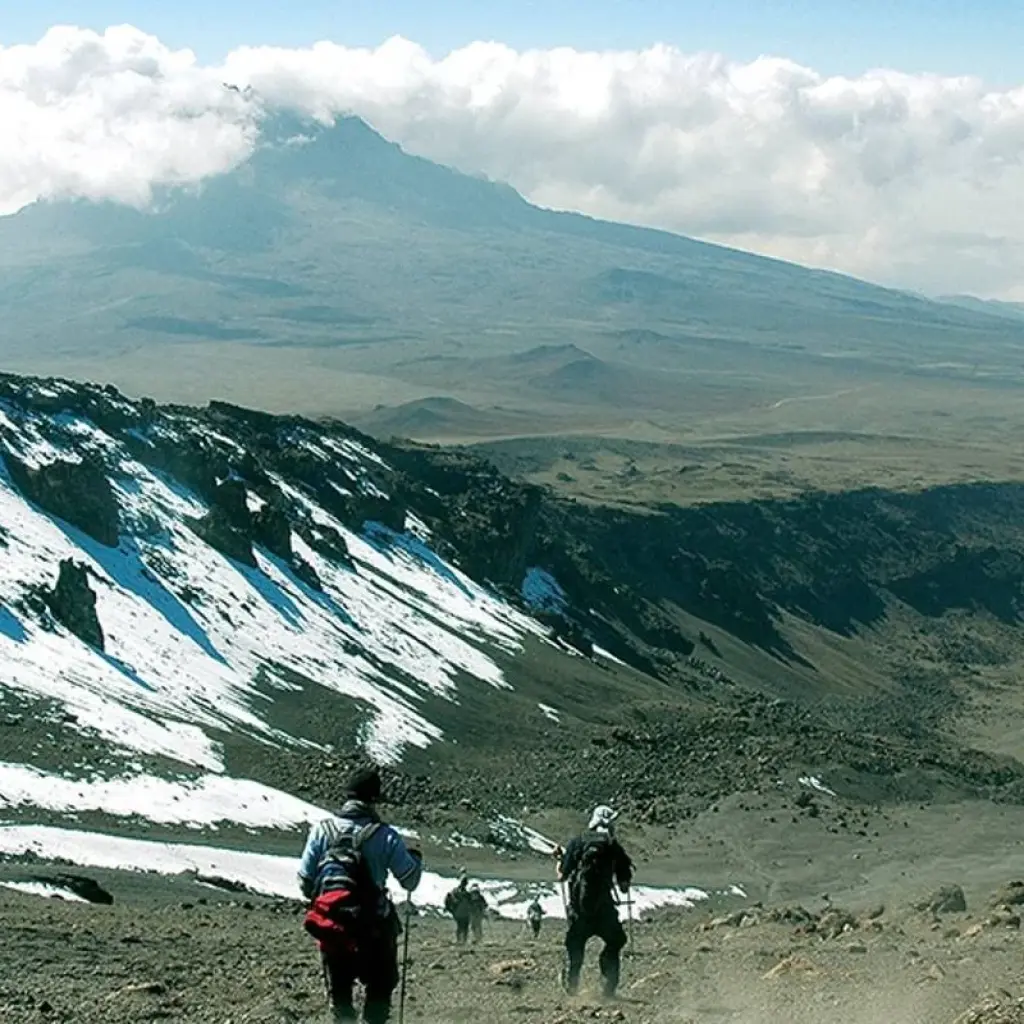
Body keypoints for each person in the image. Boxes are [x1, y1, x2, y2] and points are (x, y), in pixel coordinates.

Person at [298, 767, 422, 1024]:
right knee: (379, 992)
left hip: (334, 929)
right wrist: (416, 860)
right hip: (373, 930)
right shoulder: (385, 836)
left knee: (341, 1000)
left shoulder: (322, 831)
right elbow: (410, 880)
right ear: (373, 800)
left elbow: (305, 881)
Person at [556, 805, 633, 999]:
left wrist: (559, 860)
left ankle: (572, 987)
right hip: (604, 909)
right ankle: (608, 988)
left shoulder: (577, 842)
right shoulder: (613, 846)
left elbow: (561, 877)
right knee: (616, 941)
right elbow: (624, 886)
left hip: (580, 910)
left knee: (575, 946)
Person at [444, 874, 473, 944]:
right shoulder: (459, 892)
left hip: (461, 913)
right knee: (462, 927)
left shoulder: (458, 892)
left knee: (462, 927)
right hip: (461, 912)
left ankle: (461, 940)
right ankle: (461, 940)